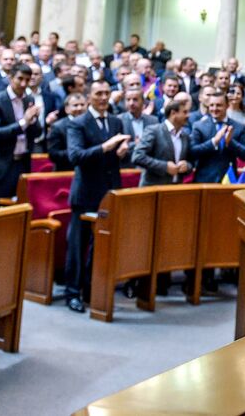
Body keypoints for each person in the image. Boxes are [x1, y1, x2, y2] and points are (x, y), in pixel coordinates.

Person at [64, 80, 130, 313]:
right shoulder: (78, 122)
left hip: (109, 190)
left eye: (106, 93)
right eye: (98, 93)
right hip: (85, 192)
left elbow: (114, 157)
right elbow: (75, 156)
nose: (103, 97)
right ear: (89, 96)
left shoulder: (116, 120)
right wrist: (106, 147)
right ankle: (73, 292)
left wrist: (120, 153)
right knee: (78, 245)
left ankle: (93, 290)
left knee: (101, 244)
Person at [0, 64, 43, 206]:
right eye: (19, 79)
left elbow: (37, 132)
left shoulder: (29, 100)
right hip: (1, 164)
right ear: (10, 78)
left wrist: (33, 121)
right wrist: (24, 122)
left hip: (22, 162)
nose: (23, 84)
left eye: (27, 80)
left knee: (19, 208)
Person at [190, 91, 245, 182]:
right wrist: (214, 141)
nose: (214, 108)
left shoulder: (238, 127)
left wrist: (230, 142)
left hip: (229, 180)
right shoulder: (199, 126)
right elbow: (193, 152)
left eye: (219, 105)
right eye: (211, 105)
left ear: (227, 105)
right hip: (204, 180)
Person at [134, 97, 194, 186]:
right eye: (184, 112)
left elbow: (190, 162)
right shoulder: (154, 131)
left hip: (176, 189)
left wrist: (187, 166)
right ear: (173, 113)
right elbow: (138, 156)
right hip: (153, 188)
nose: (188, 115)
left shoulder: (185, 136)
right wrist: (165, 166)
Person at [47, 92, 85, 171]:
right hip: (65, 170)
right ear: (67, 109)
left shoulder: (91, 123)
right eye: (75, 105)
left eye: (82, 105)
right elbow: (53, 154)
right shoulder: (57, 127)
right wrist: (78, 153)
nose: (79, 108)